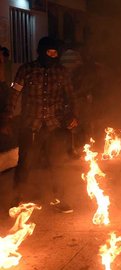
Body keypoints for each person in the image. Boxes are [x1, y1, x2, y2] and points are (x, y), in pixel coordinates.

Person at [0, 37, 78, 213]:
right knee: (25, 162)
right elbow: (14, 95)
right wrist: (7, 118)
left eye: (56, 53)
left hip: (54, 125)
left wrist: (73, 115)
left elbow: (71, 96)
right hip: (30, 125)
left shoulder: (62, 72)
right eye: (50, 52)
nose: (53, 56)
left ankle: (60, 198)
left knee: (56, 163)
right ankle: (17, 198)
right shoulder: (26, 70)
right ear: (41, 52)